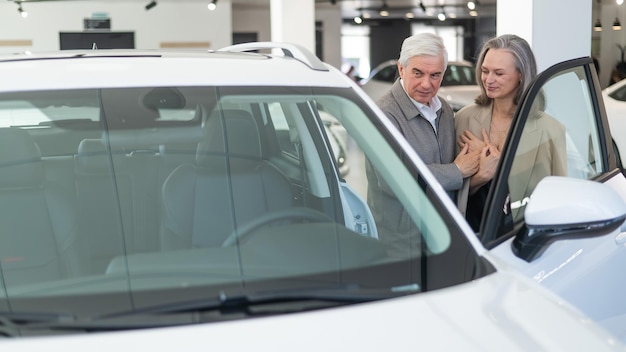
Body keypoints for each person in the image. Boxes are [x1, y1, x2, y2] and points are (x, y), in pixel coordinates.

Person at [366, 32, 479, 255]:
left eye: (435, 75)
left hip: (440, 231)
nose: (426, 84)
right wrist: (456, 171)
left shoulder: (444, 110)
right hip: (401, 241)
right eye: (418, 73)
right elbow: (394, 179)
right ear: (401, 69)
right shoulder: (384, 115)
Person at [455, 34, 567, 232]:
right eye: (485, 71)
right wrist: (480, 176)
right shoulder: (463, 119)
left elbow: (558, 199)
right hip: (470, 237)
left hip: (522, 240)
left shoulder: (550, 131)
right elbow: (451, 189)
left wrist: (498, 166)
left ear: (521, 75)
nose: (489, 80)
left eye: (499, 73)